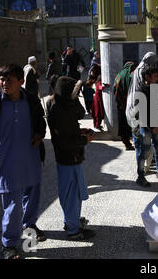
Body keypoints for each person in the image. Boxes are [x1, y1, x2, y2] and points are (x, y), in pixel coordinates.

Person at [0, 64, 47, 259]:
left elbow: (41, 120)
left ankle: (29, 224)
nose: (4, 84)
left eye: (9, 80)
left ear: (21, 82)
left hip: (30, 157)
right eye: (2, 79)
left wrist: (39, 134)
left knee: (32, 194)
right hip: (6, 161)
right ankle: (8, 244)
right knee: (12, 203)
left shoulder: (31, 100)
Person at [47, 76, 96, 240]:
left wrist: (79, 132)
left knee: (74, 194)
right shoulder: (58, 111)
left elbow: (78, 117)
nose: (76, 96)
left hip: (72, 158)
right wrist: (84, 140)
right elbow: (64, 142)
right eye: (74, 93)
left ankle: (72, 221)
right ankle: (73, 230)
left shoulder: (64, 105)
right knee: (70, 196)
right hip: (68, 159)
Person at [126, 52, 158, 187]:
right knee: (143, 149)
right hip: (140, 120)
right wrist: (152, 125)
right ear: (147, 77)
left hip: (153, 120)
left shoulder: (153, 83)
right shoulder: (140, 77)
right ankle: (140, 176)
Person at [113, 61, 136, 150]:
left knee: (123, 124)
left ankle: (126, 143)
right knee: (130, 124)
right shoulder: (130, 75)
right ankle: (132, 142)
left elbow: (114, 89)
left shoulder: (119, 75)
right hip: (129, 104)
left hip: (120, 104)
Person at [91, 65, 106, 130]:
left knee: (97, 112)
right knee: (97, 112)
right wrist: (105, 87)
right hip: (98, 97)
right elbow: (99, 87)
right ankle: (97, 125)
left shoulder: (98, 77)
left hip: (97, 97)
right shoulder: (98, 77)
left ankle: (96, 124)